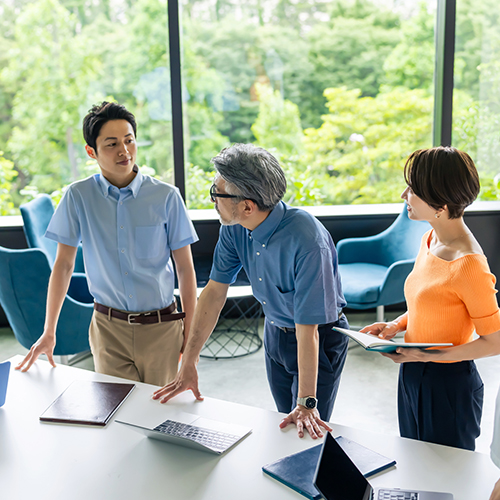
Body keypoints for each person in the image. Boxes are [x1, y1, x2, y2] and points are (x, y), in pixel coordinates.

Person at [152, 143, 349, 439]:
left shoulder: (307, 241)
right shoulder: (234, 227)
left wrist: (308, 403)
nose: (213, 200)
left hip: (318, 339)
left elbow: (308, 330)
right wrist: (189, 361)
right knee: (285, 424)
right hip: (275, 333)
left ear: (247, 206)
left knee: (306, 430)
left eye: (217, 193)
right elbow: (214, 293)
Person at [16, 101, 198, 386]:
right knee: (116, 417)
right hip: (108, 330)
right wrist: (49, 330)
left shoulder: (166, 197)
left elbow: (185, 268)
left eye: (129, 140)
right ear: (92, 151)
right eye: (111, 144)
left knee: (164, 418)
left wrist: (192, 333)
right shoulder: (78, 196)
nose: (124, 151)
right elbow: (63, 266)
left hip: (162, 328)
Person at [360, 146, 500, 451]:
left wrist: (426, 355)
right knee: (415, 464)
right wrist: (396, 325)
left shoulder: (469, 264)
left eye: (413, 190)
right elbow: (430, 302)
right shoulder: (431, 238)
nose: (403, 195)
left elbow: (495, 341)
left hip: (449, 385)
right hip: (412, 371)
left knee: (447, 478)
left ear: (441, 205)